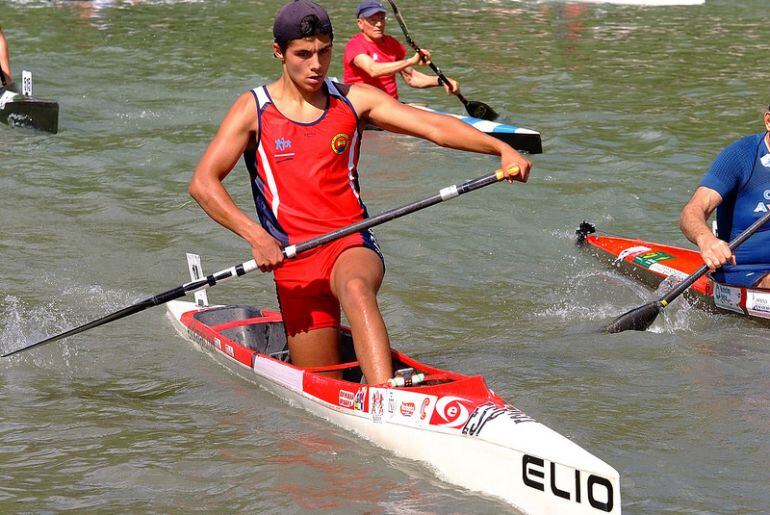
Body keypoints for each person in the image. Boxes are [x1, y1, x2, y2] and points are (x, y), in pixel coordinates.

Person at [189, 0, 531, 385]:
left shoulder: (354, 100)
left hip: (348, 242)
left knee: (355, 287)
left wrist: (500, 148)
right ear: (278, 53)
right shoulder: (254, 109)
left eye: (324, 51)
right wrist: (256, 236)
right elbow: (203, 183)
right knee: (317, 377)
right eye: (303, 54)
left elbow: (432, 126)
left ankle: (384, 393)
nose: (316, 64)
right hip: (293, 261)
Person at [680, 106, 770, 288]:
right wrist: (706, 240)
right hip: (745, 272)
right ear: (768, 121)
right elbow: (691, 211)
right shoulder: (741, 156)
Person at [342, 0, 458, 100]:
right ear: (360, 23)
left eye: (382, 19)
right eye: (373, 20)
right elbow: (373, 70)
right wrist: (411, 61)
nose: (379, 24)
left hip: (390, 107)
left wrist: (441, 81)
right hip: (363, 107)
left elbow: (411, 78)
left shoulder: (392, 44)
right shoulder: (355, 45)